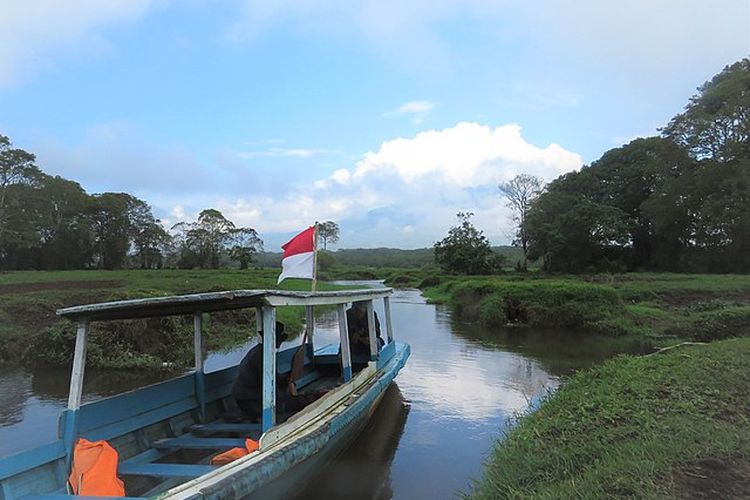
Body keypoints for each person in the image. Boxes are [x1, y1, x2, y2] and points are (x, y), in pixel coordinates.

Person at [232, 321, 317, 421]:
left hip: (245, 400)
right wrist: (287, 393)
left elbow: (273, 378)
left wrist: (285, 380)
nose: (280, 343)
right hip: (252, 403)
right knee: (299, 402)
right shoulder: (264, 355)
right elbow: (270, 382)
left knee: (291, 397)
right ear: (275, 339)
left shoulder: (259, 351)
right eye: (280, 340)